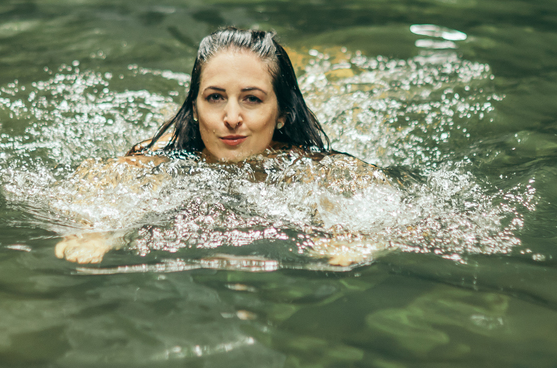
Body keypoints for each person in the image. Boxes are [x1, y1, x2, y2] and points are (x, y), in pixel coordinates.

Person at [54, 27, 387, 266]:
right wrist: (97, 231)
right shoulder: (160, 159)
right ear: (195, 109)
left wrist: (353, 236)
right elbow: (92, 190)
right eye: (215, 97)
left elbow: (385, 214)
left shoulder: (314, 169)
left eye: (252, 99)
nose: (231, 118)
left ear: (282, 114)